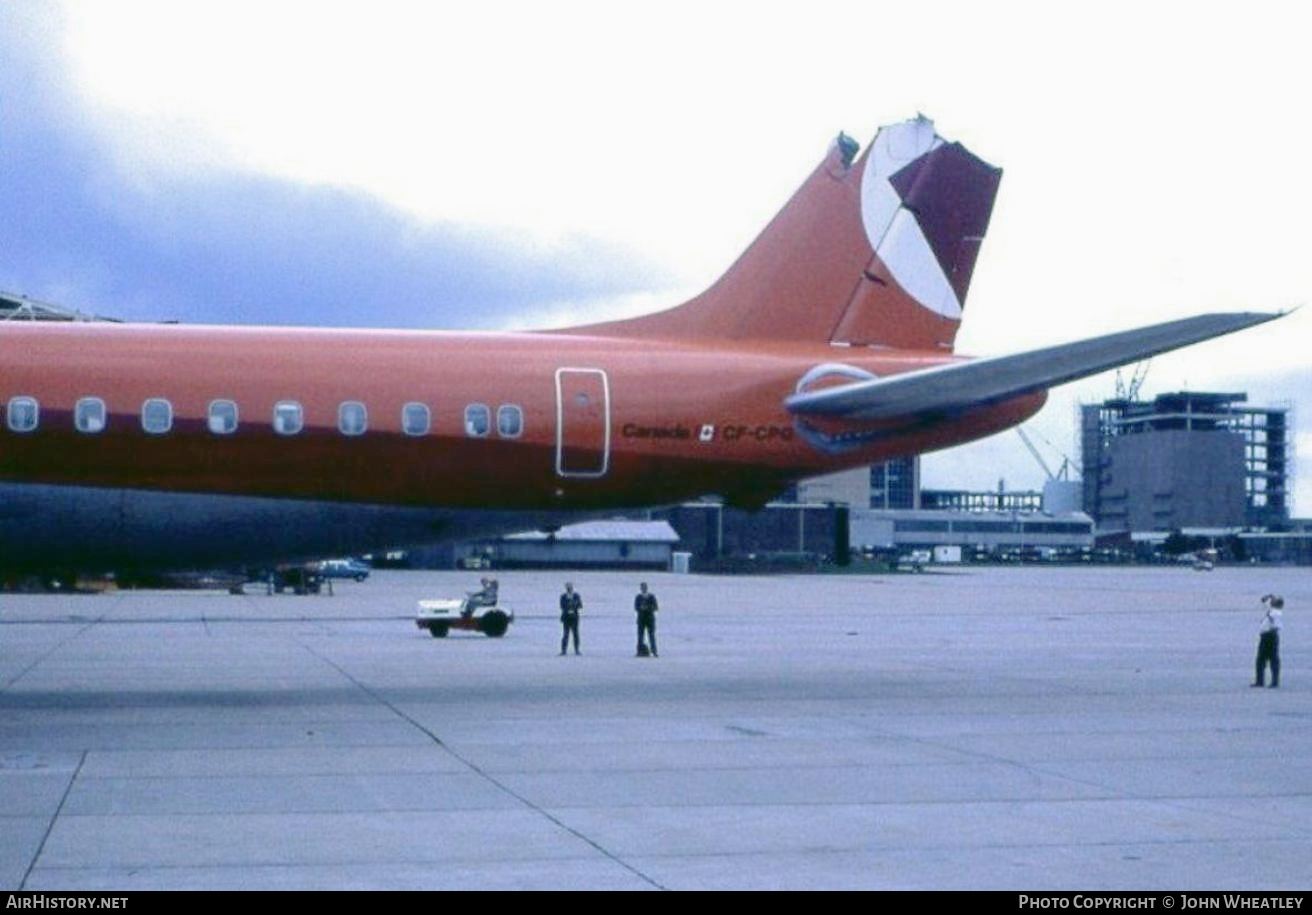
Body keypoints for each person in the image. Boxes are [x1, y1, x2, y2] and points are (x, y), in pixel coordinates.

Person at [1253, 593, 1283, 688]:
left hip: (1270, 636)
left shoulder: (1276, 613)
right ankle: (1260, 680)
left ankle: (1273, 681)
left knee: (1272, 659)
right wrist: (1270, 596)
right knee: (1261, 659)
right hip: (1265, 636)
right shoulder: (1271, 611)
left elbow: (1277, 625)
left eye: (1273, 601)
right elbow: (1263, 601)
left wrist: (1271, 597)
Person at [634, 581, 658, 657]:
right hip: (641, 619)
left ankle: (654, 651)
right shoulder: (638, 597)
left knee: (651, 635)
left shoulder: (651, 597)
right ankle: (639, 651)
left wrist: (648, 608)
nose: (643, 589)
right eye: (642, 587)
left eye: (644, 587)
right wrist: (641, 608)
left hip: (650, 619)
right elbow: (636, 607)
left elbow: (656, 607)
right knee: (640, 636)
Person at [559, 582, 582, 655]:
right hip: (566, 618)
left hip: (574, 618)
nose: (569, 589)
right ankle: (564, 650)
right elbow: (562, 606)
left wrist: (574, 605)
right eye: (568, 588)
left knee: (575, 634)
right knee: (566, 634)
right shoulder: (563, 596)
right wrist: (568, 607)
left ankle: (577, 650)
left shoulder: (576, 596)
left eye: (570, 588)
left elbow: (580, 605)